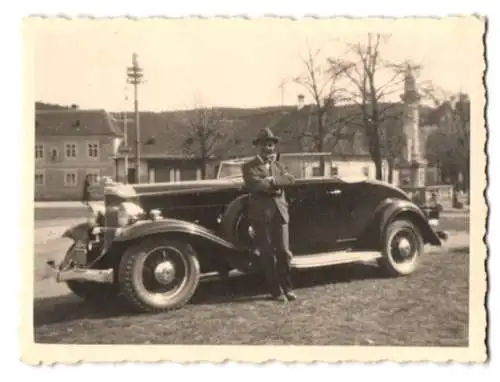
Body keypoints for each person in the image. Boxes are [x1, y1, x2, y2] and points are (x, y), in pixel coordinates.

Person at [242, 128, 297, 303]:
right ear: (258, 147)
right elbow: (255, 185)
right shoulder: (248, 166)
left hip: (280, 213)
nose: (268, 148)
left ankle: (288, 288)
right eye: (265, 145)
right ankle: (275, 291)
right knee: (267, 253)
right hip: (261, 215)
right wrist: (274, 181)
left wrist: (272, 181)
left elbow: (290, 180)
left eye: (271, 145)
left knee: (283, 251)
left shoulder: (279, 165)